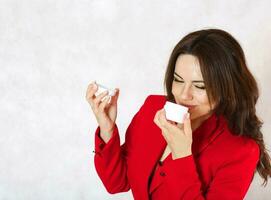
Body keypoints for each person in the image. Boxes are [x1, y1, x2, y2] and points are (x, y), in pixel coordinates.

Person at [86, 28, 271, 199]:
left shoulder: (241, 151)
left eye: (200, 86)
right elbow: (117, 183)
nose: (183, 95)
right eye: (178, 80)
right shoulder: (153, 108)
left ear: (227, 88)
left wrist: (182, 154)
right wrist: (107, 129)